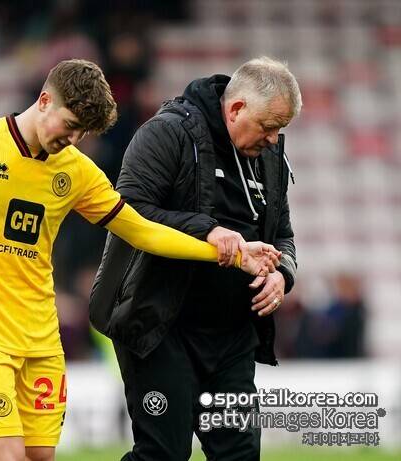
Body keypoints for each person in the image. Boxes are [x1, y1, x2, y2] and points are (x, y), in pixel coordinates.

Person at [0, 59, 279, 461]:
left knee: (39, 456)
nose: (72, 141)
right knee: (6, 455)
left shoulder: (76, 171)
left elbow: (141, 230)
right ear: (44, 100)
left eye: (82, 134)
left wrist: (229, 253)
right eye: (70, 126)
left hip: (41, 337)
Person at [90, 56, 302, 461]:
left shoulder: (271, 156)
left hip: (232, 336)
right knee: (163, 454)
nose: (274, 140)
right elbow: (126, 213)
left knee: (239, 455)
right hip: (161, 326)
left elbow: (284, 236)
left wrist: (282, 275)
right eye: (269, 126)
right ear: (236, 109)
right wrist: (207, 229)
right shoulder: (167, 133)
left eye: (281, 130)